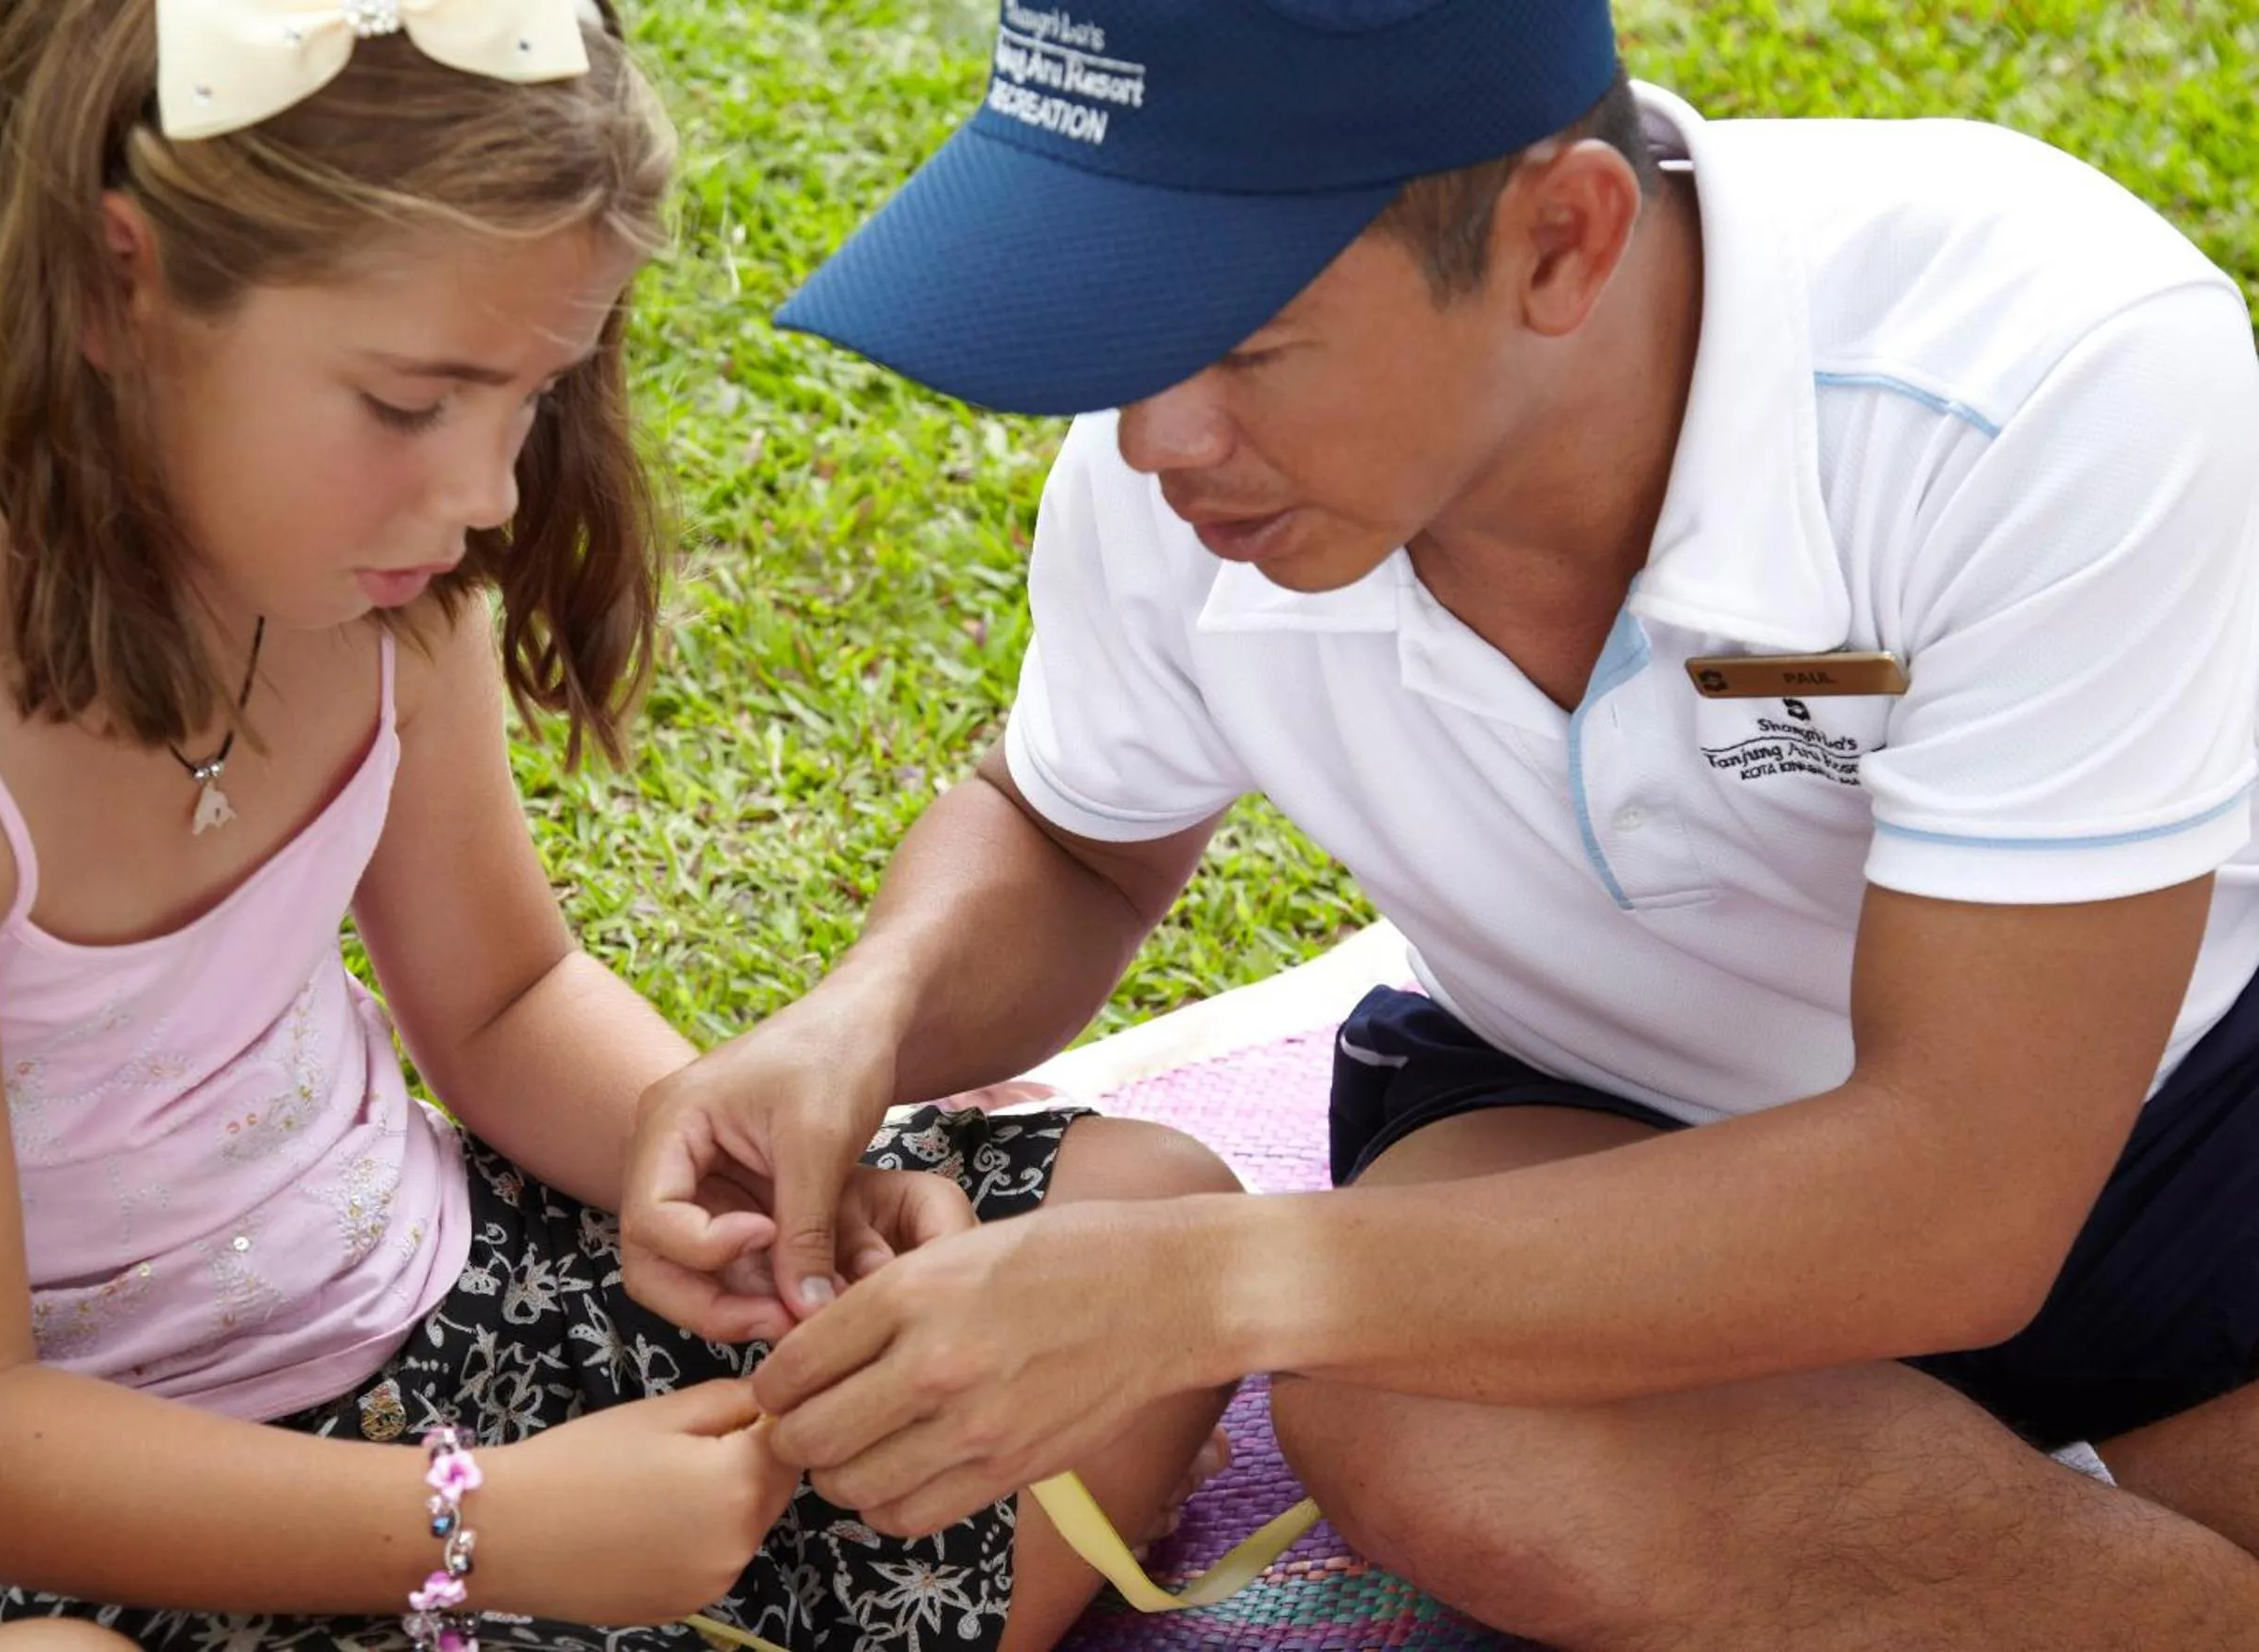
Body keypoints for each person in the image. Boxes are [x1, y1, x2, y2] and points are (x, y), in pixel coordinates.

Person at [622, 0, 2259, 1644]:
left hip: (2175, 1108)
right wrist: (863, 1014)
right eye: (1131, 318)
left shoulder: (2044, 366)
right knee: (1407, 1414)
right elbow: (1070, 838)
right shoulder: (1183, 473)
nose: (1152, 437)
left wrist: (1199, 1284)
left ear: (1564, 237)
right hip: (1581, 1103)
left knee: (1415, 1356)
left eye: (1244, 340)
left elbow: (1960, 1192)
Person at [0, 4, 1238, 1650]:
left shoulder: (372, 572)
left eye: (535, 398)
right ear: (123, 284)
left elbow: (499, 999)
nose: (488, 492)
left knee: (1147, 1237)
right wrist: (487, 1525)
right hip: (40, 1516)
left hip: (438, 1316)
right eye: (413, 403)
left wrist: (763, 1205)